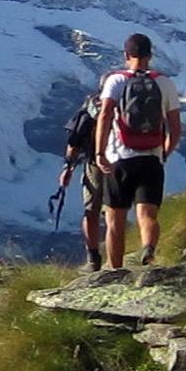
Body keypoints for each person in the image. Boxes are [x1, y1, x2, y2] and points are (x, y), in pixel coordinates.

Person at [93, 33, 183, 269]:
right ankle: (149, 252)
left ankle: (115, 271)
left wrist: (100, 152)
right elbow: (175, 128)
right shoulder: (164, 83)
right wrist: (163, 153)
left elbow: (105, 115)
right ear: (150, 55)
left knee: (115, 221)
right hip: (151, 159)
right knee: (148, 215)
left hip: (119, 159)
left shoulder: (115, 81)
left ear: (126, 55)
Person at [56, 90, 106, 271]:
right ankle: (120, 258)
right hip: (128, 161)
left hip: (95, 163)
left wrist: (68, 168)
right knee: (117, 211)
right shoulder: (131, 103)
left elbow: (75, 138)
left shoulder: (93, 105)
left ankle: (93, 259)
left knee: (91, 210)